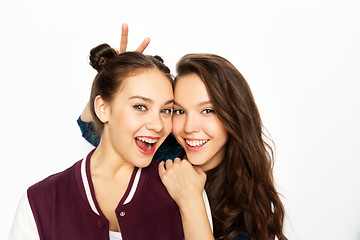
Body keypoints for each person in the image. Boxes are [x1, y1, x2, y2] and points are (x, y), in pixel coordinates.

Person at [8, 41, 185, 239]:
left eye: (165, 110)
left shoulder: (183, 190)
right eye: (140, 106)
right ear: (103, 109)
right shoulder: (39, 202)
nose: (158, 125)